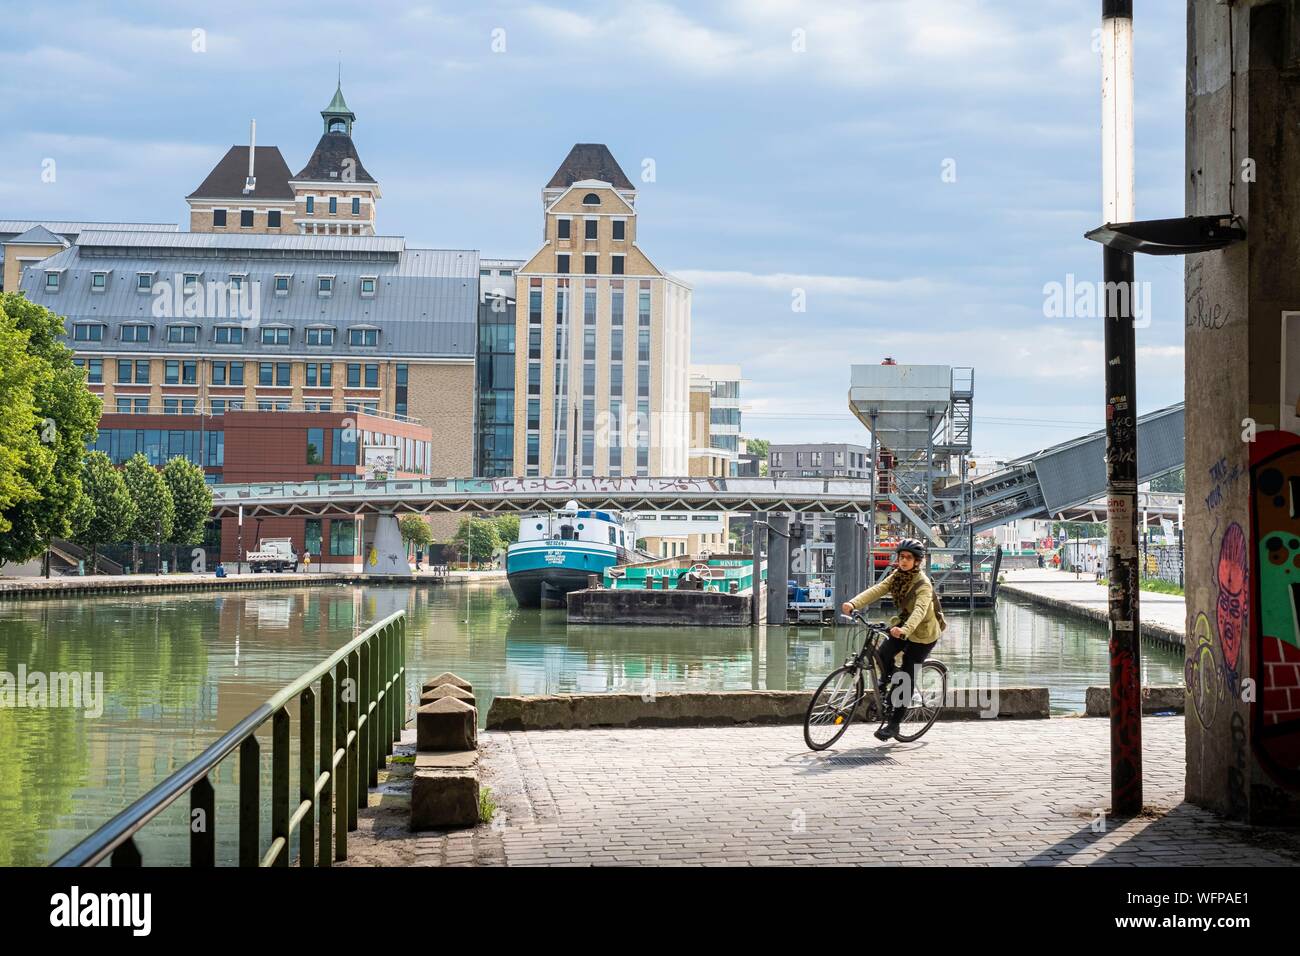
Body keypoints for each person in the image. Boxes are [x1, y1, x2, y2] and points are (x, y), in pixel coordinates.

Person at [839, 539, 945, 741]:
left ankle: (894, 725)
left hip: (922, 634)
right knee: (882, 654)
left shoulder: (923, 585)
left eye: (908, 558)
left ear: (917, 562)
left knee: (906, 676)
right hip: (902, 627)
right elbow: (878, 589)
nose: (903, 561)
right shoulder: (897, 576)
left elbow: (920, 611)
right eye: (901, 557)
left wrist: (905, 630)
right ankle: (888, 680)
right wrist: (853, 603)